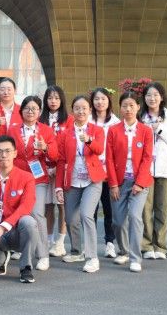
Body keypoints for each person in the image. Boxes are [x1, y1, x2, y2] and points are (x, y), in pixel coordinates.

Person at [0, 135, 39, 283]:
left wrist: (3, 227)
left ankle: (26, 267)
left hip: (16, 230)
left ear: (15, 153)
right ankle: (1, 260)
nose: (4, 155)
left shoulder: (27, 177)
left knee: (29, 222)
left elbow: (26, 206)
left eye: (8, 151)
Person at [55, 95, 106, 273]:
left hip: (92, 180)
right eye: (77, 108)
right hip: (73, 179)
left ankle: (92, 257)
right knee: (70, 218)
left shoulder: (97, 130)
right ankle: (77, 251)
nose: (81, 111)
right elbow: (61, 161)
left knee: (86, 215)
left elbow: (99, 149)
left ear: (90, 110)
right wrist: (59, 186)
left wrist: (89, 141)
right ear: (72, 111)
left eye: (84, 108)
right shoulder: (65, 133)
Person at [8, 95, 58, 271]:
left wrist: (45, 148)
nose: (30, 112)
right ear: (21, 111)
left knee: (37, 214)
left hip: (38, 178)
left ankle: (43, 255)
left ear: (39, 111)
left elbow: (55, 156)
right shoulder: (13, 130)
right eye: (27, 108)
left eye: (34, 109)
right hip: (17, 178)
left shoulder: (46, 130)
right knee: (16, 213)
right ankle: (18, 247)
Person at [107, 91, 153, 272]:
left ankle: (135, 257)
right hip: (119, 182)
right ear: (120, 108)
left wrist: (139, 183)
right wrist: (113, 184)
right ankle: (124, 251)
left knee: (134, 216)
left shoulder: (146, 131)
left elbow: (147, 159)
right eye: (124, 105)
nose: (128, 109)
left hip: (139, 183)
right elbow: (109, 159)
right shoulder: (113, 130)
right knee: (118, 221)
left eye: (132, 105)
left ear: (138, 107)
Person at [139, 82, 167, 260]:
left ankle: (160, 247)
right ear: (144, 98)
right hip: (145, 170)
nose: (152, 98)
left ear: (162, 97)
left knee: (162, 210)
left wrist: (160, 129)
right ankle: (146, 246)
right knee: (145, 209)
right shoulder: (140, 117)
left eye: (156, 95)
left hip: (165, 170)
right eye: (149, 95)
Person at [40, 85, 73, 257]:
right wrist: (47, 166)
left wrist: (57, 166)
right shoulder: (40, 120)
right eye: (50, 98)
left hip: (62, 168)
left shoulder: (69, 120)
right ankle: (48, 240)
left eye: (57, 98)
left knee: (62, 205)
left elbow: (69, 145)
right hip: (44, 168)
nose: (53, 101)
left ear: (62, 100)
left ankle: (60, 242)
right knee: (48, 206)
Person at [89, 87, 121, 258]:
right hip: (91, 172)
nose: (100, 102)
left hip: (109, 173)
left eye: (103, 99)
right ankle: (91, 244)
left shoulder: (116, 122)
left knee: (110, 210)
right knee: (91, 211)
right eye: (96, 99)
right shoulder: (87, 120)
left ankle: (110, 243)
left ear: (109, 101)